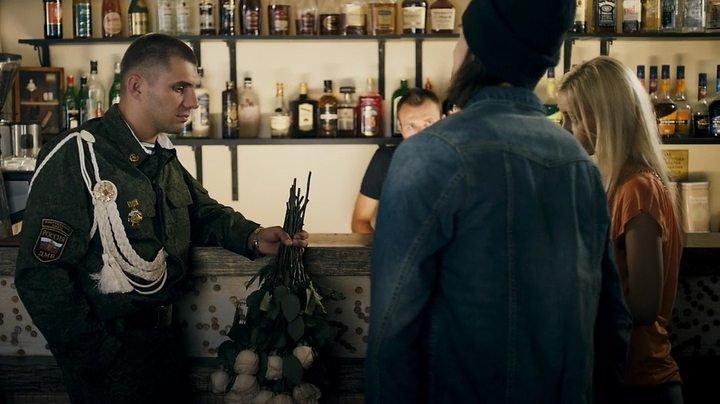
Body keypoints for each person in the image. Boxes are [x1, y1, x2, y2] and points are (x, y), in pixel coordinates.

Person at [14, 34, 308, 404]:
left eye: (193, 88)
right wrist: (99, 358)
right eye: (179, 87)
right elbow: (41, 277)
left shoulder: (160, 152)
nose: (193, 101)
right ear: (136, 86)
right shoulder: (78, 155)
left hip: (165, 347)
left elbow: (202, 212)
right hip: (109, 357)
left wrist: (254, 236)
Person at [365, 1, 633, 403]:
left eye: (461, 37)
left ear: (477, 50)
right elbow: (612, 322)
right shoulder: (578, 163)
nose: (454, 51)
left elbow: (393, 325)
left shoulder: (429, 155)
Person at [558, 56, 684, 404]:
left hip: (642, 381)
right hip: (620, 374)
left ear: (606, 117)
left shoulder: (637, 188)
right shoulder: (614, 182)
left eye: (573, 118)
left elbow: (643, 306)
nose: (565, 130)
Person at [351, 88, 443, 233]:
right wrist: (384, 247)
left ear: (444, 121)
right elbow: (359, 221)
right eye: (411, 126)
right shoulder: (385, 160)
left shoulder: (461, 161)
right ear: (400, 127)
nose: (421, 134)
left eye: (429, 123)